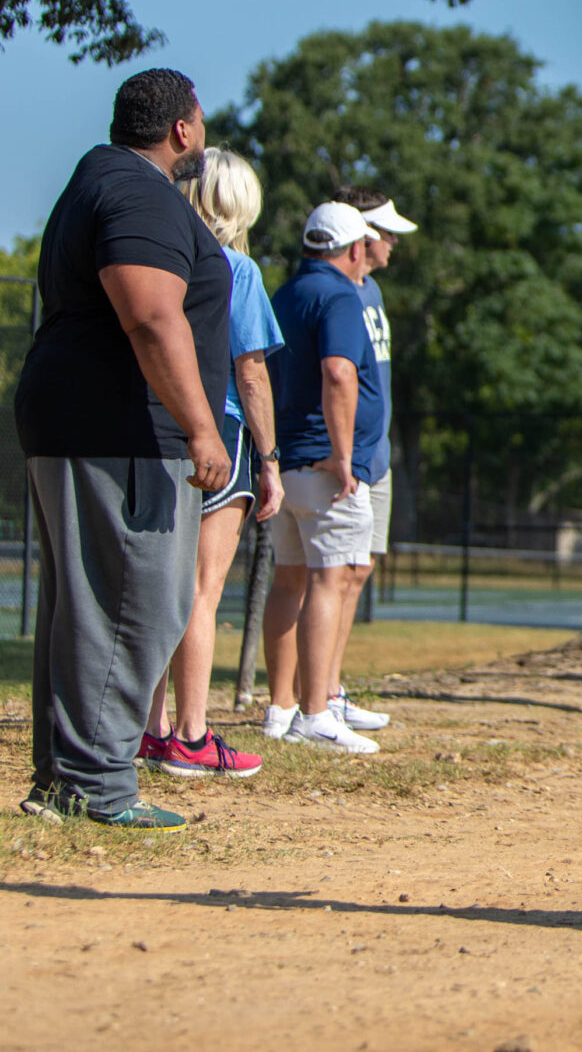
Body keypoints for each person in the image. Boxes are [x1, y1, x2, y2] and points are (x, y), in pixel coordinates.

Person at [14, 69, 232, 830]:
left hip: (78, 417)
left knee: (87, 605)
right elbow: (150, 316)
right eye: (200, 120)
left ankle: (65, 778)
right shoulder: (140, 193)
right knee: (135, 602)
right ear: (182, 129)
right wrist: (203, 428)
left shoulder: (93, 181)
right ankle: (97, 785)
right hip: (123, 430)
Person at [141, 150, 283, 779]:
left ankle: (150, 729)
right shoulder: (238, 269)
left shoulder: (161, 257)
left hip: (156, 429)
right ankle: (193, 736)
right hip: (220, 435)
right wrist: (270, 459)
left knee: (156, 589)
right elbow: (250, 373)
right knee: (202, 593)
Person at [260, 202, 385, 753]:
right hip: (324, 466)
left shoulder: (285, 292)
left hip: (285, 463)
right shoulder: (339, 295)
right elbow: (338, 371)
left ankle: (281, 708)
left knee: (288, 580)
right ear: (355, 248)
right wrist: (341, 455)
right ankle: (317, 713)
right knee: (331, 580)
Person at [322, 184, 418, 732]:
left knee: (358, 571)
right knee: (330, 573)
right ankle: (312, 694)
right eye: (384, 232)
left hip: (375, 457)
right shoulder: (338, 294)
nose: (390, 244)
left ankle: (331, 688)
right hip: (347, 459)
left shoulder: (373, 294)